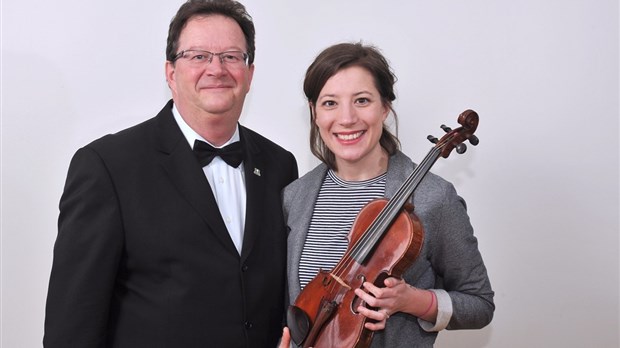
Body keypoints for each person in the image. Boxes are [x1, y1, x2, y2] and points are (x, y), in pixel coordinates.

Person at [44, 1, 298, 347]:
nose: (216, 69)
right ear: (170, 72)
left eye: (231, 56)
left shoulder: (280, 165)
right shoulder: (107, 166)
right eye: (198, 56)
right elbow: (71, 328)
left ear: (249, 74)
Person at [280, 42, 494, 347]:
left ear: (385, 108)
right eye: (330, 103)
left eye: (362, 100)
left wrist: (413, 301)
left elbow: (480, 304)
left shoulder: (434, 197)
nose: (346, 118)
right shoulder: (295, 196)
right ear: (314, 112)